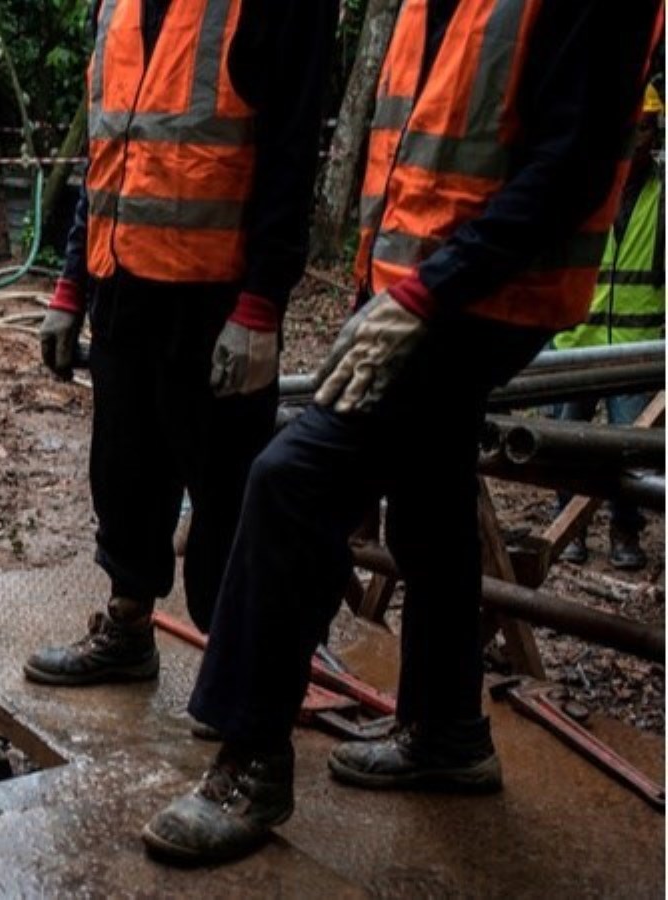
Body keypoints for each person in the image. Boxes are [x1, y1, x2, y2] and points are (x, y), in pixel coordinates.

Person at [143, 0, 662, 866]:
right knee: (428, 488)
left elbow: (571, 164)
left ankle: (249, 766)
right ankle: (449, 730)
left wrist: (425, 295)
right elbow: (413, 160)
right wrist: (379, 292)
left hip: (488, 290)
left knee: (290, 479)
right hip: (423, 287)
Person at [21, 0, 336, 689]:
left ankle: (240, 680)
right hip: (123, 280)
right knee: (124, 470)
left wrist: (260, 306)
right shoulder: (117, 6)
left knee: (227, 491)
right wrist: (71, 285)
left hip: (214, 296)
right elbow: (108, 151)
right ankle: (128, 629)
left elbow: (291, 155)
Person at [550, 83, 665, 571]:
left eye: (645, 125)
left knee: (630, 447)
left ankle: (624, 530)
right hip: (580, 337)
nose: (638, 135)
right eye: (631, 125)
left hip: (635, 345)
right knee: (563, 439)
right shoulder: (583, 186)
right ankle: (567, 526)